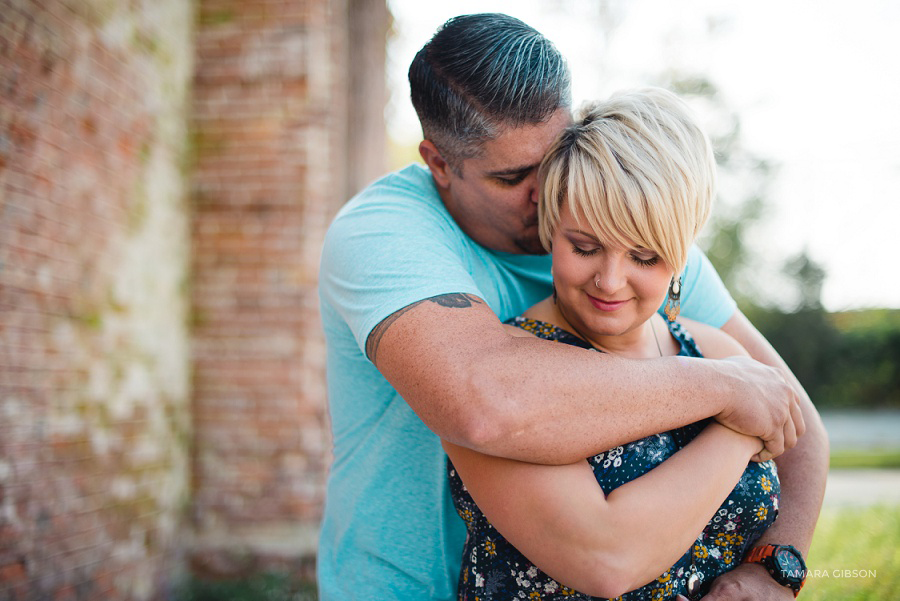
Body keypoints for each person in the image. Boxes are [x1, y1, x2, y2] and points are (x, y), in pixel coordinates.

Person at [317, 13, 827, 601]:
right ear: (438, 163)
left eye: (556, 157)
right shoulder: (384, 233)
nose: (549, 193)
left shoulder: (629, 237)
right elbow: (486, 404)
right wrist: (728, 393)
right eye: (513, 177)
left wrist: (773, 567)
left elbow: (793, 418)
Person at [445, 88, 783, 600]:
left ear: (681, 256)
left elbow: (798, 436)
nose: (609, 281)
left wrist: (772, 572)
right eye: (585, 247)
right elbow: (607, 562)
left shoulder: (712, 349)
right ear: (550, 228)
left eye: (644, 258)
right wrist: (739, 426)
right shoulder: (501, 373)